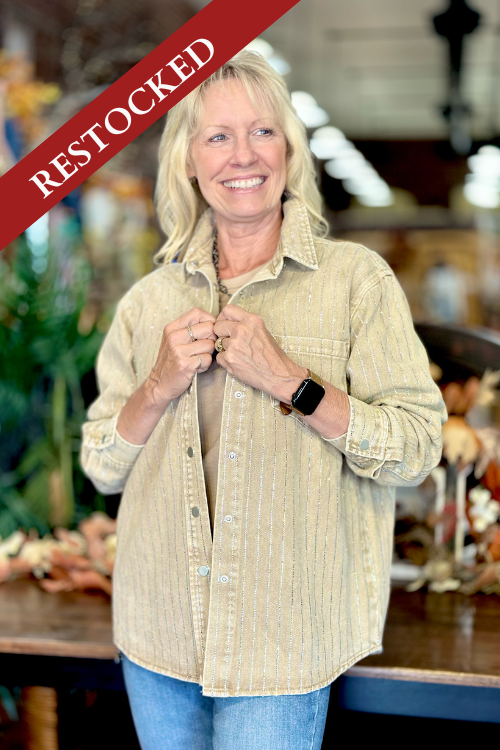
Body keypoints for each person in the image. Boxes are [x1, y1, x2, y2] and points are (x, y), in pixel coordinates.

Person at [80, 51, 447, 750]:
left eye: (262, 132)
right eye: (218, 136)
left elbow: (417, 449)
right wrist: (158, 385)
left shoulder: (356, 282)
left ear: (289, 150)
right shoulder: (148, 302)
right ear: (189, 161)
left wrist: (291, 382)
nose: (242, 155)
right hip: (158, 629)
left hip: (281, 641)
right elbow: (102, 464)